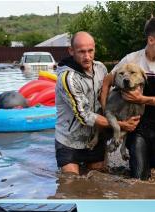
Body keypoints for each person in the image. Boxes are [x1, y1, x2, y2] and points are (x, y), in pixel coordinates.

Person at [101, 17, 155, 180]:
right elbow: (106, 83)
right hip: (138, 127)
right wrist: (106, 115)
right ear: (151, 40)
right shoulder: (131, 60)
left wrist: (141, 99)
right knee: (139, 178)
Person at [55, 31, 141, 175]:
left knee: (98, 182)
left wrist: (137, 94)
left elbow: (113, 90)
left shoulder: (100, 68)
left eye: (90, 51)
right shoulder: (67, 78)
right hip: (70, 142)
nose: (87, 56)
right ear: (71, 51)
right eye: (81, 52)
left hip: (96, 138)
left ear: (95, 49)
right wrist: (120, 125)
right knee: (70, 184)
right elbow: (85, 116)